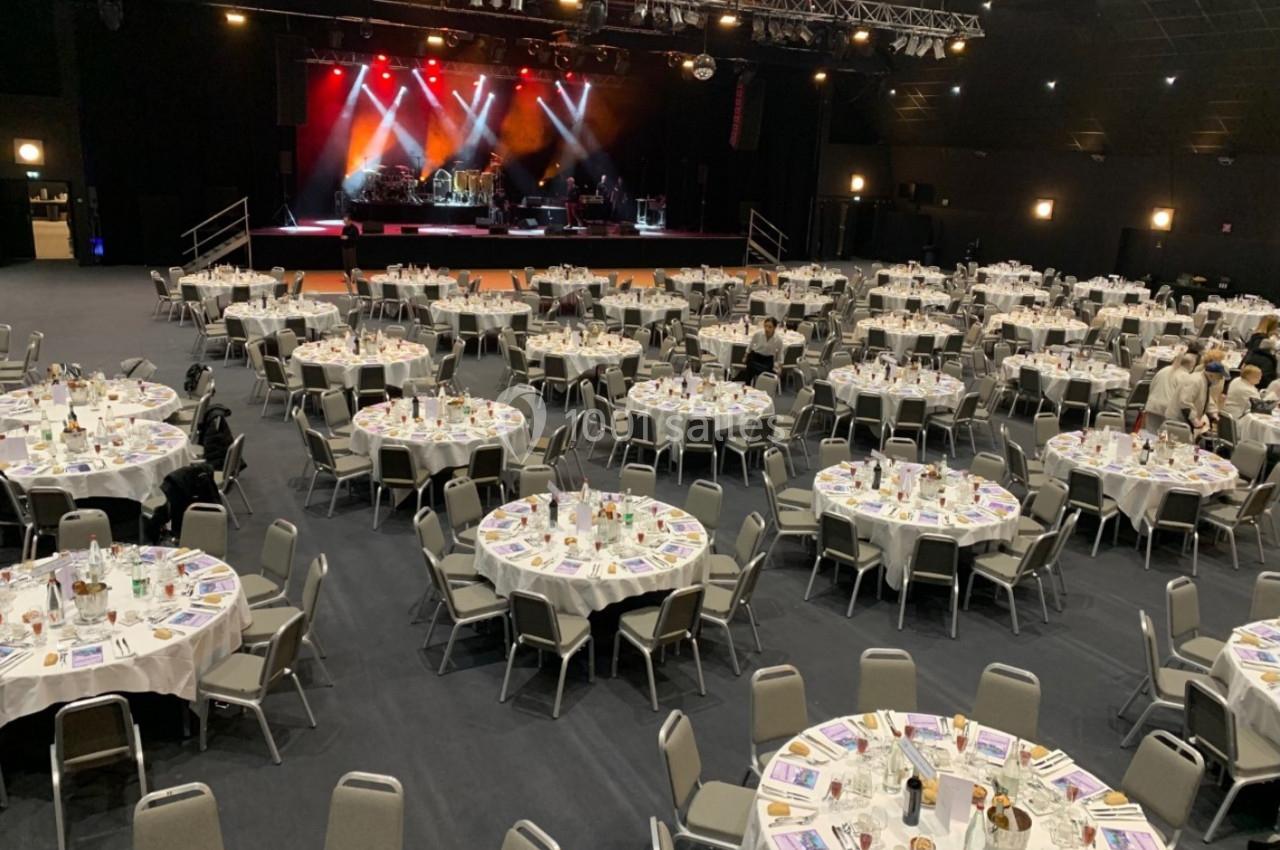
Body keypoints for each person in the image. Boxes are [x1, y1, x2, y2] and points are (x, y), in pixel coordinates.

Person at [1175, 358, 1224, 437]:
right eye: (1219, 377)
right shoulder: (1195, 381)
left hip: (1185, 421)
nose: (1220, 380)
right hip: (1178, 420)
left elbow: (1207, 400)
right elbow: (1185, 403)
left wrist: (1214, 413)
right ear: (1211, 375)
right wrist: (1195, 421)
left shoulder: (1204, 381)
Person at [1143, 354, 1190, 433]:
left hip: (1152, 405)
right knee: (1164, 439)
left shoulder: (1163, 370)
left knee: (1151, 434)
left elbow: (1151, 386)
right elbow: (1184, 399)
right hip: (1168, 410)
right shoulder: (1185, 376)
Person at [745, 317, 784, 384]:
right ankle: (747, 385)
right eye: (765, 326)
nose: (767, 329)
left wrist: (780, 367)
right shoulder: (758, 334)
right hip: (756, 356)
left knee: (756, 368)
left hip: (768, 359)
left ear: (774, 328)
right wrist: (745, 356)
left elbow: (780, 353)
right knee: (750, 363)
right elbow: (750, 345)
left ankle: (760, 381)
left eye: (770, 327)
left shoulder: (778, 339)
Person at [339, 214, 359, 279]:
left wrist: (348, 237)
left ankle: (354, 277)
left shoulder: (354, 228)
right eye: (344, 222)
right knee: (346, 264)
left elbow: (356, 238)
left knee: (352, 264)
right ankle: (347, 277)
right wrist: (342, 237)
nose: (345, 223)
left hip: (351, 248)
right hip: (345, 248)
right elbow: (342, 235)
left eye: (346, 221)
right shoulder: (344, 228)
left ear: (350, 221)